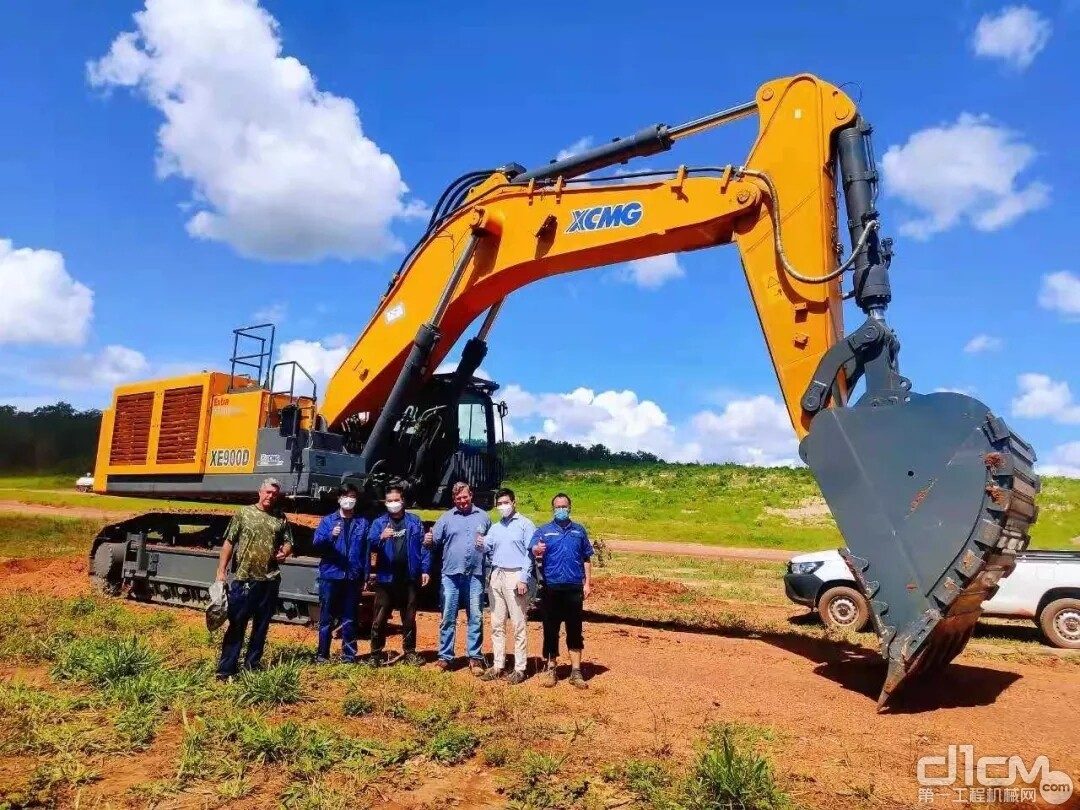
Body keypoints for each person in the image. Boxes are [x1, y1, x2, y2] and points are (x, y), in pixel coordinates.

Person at [214, 477, 294, 680]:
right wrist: (221, 572)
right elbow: (229, 543)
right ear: (260, 492)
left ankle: (252, 666)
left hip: (269, 580)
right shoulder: (244, 513)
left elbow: (288, 542)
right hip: (245, 579)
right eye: (268, 492)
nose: (270, 496)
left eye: (275, 494)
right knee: (237, 624)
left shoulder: (280, 517)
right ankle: (226, 670)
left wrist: (284, 552)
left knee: (261, 627)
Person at [425, 481, 491, 674]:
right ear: (453, 499)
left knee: (476, 617)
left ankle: (475, 658)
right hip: (450, 575)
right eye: (458, 498)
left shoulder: (483, 517)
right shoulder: (446, 518)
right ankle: (445, 657)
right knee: (448, 617)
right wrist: (428, 540)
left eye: (465, 497)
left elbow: (491, 544)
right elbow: (433, 542)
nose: (462, 501)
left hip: (475, 575)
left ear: (471, 495)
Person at [530, 492, 593, 688]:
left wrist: (587, 583)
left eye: (564, 506)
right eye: (557, 507)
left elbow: (586, 558)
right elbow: (532, 548)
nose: (561, 510)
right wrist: (536, 550)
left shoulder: (579, 532)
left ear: (570, 508)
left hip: (574, 588)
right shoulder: (544, 531)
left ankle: (576, 671)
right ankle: (551, 669)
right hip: (551, 588)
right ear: (553, 509)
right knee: (550, 630)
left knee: (574, 630)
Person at [478, 487, 536, 684]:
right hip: (497, 574)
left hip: (516, 575)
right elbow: (487, 547)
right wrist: (480, 543)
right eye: (499, 504)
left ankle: (520, 668)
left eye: (505, 502)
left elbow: (530, 554)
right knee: (497, 622)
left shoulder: (525, 525)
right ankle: (498, 665)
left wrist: (524, 578)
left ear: (514, 502)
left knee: (518, 623)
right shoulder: (495, 527)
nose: (503, 506)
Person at [366, 486, 430, 665]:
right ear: (385, 503)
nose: (393, 504)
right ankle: (375, 654)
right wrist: (381, 537)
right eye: (389, 501)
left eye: (396, 500)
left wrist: (425, 569)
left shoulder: (414, 521)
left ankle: (409, 652)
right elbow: (369, 543)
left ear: (403, 501)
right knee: (379, 618)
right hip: (386, 578)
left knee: (409, 618)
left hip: (409, 577)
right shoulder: (379, 523)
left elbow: (424, 546)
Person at [312, 483, 369, 664]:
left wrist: (365, 576)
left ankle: (349, 655)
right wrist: (331, 535)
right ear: (339, 499)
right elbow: (316, 544)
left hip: (352, 577)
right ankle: (322, 655)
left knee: (350, 617)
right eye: (345, 497)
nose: (348, 500)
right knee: (326, 617)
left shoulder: (362, 523)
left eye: (352, 497)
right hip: (331, 575)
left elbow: (365, 552)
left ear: (356, 500)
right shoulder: (328, 521)